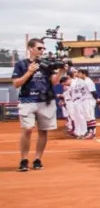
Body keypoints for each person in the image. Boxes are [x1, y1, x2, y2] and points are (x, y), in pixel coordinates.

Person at [12, 39, 67, 171]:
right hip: (27, 100)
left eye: (43, 48)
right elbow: (16, 84)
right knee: (27, 129)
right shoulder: (21, 64)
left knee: (43, 131)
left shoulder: (47, 64)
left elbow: (54, 82)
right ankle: (24, 159)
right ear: (30, 48)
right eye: (39, 48)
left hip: (45, 100)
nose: (42, 50)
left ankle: (38, 159)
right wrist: (29, 72)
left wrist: (61, 71)